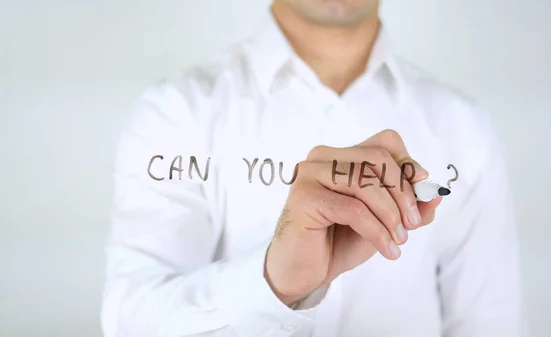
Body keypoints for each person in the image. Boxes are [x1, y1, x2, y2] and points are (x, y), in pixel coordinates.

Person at [101, 0, 524, 336]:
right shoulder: (177, 113)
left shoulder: (465, 128)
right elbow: (130, 321)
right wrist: (273, 281)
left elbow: (490, 323)